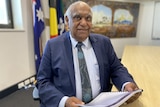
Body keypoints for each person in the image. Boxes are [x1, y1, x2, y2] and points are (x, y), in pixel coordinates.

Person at [36, 1, 141, 107]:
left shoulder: (103, 43)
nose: (84, 23)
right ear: (67, 21)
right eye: (78, 17)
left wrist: (126, 83)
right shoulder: (53, 46)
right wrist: (64, 101)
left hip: (102, 104)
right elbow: (42, 81)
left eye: (88, 18)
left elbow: (116, 68)